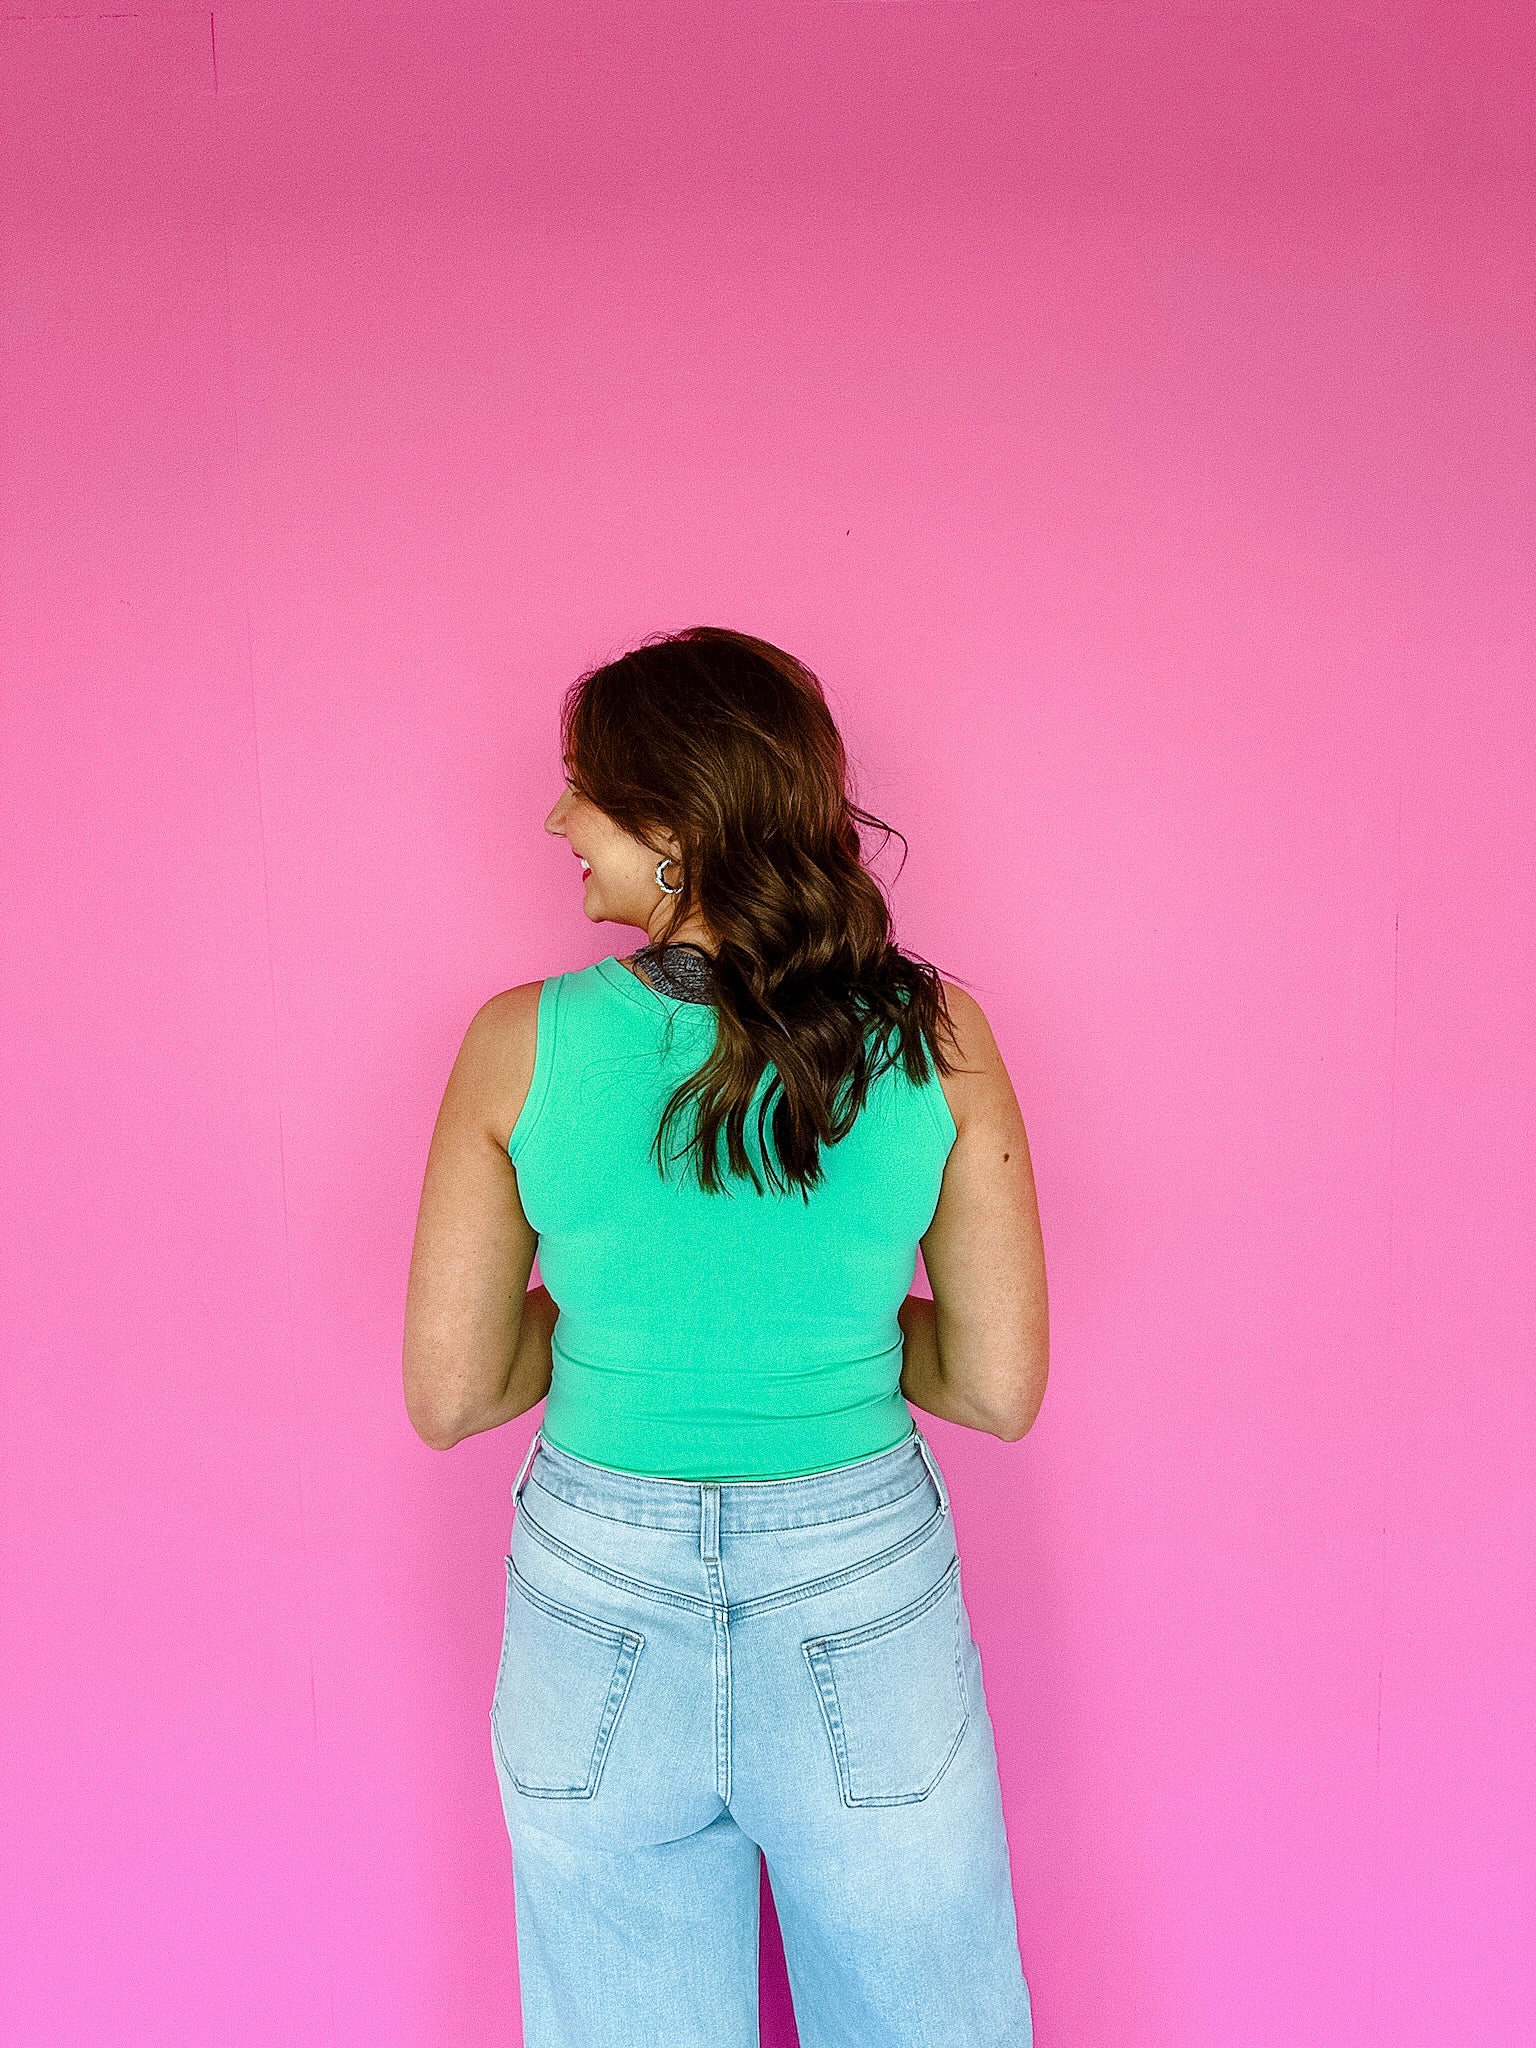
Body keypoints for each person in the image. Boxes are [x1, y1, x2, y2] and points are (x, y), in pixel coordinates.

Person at [403, 626, 1049, 2047]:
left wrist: (627, 1308)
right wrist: (831, 1337)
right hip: (858, 1575)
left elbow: (455, 1393)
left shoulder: (518, 1042)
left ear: (679, 830)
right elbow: (997, 1388)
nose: (557, 821)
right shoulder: (938, 1037)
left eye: (585, 791)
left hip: (594, 1583)